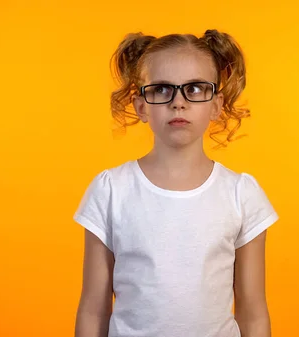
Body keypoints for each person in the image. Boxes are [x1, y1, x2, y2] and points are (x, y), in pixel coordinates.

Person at [73, 29, 278, 337]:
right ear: (141, 105)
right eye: (161, 89)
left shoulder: (241, 195)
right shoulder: (110, 190)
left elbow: (253, 312)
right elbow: (93, 308)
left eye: (195, 89)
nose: (178, 103)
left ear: (216, 105)